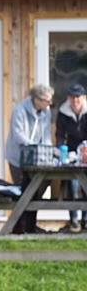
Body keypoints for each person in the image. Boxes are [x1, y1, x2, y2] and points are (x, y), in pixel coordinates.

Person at [4, 83, 54, 234]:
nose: (49, 104)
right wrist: (34, 147)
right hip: (18, 157)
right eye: (47, 101)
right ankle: (18, 227)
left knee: (36, 191)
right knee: (23, 192)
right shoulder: (19, 110)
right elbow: (19, 135)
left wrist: (47, 151)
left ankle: (31, 226)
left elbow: (45, 135)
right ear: (37, 100)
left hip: (37, 158)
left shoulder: (46, 111)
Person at [56, 83, 87, 232]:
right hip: (71, 150)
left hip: (86, 150)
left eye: (78, 97)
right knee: (71, 185)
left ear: (83, 97)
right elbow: (60, 134)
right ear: (68, 98)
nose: (75, 100)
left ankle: (85, 220)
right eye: (72, 97)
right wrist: (61, 150)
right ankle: (73, 220)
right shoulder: (63, 112)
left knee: (86, 185)